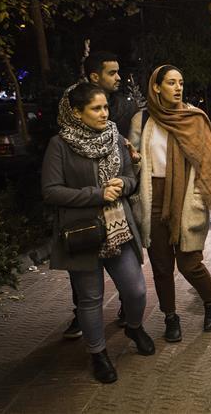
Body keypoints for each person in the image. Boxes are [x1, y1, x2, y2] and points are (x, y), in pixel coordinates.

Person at [41, 82, 154, 384]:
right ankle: (98, 353)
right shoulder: (60, 145)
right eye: (96, 108)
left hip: (119, 227)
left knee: (136, 290)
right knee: (90, 298)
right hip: (83, 232)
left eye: (105, 107)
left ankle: (133, 326)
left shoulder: (115, 138)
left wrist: (124, 186)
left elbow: (131, 177)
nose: (104, 113)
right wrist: (97, 194)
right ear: (77, 113)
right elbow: (51, 191)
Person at [128, 65, 211, 342]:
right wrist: (133, 160)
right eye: (171, 82)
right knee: (161, 267)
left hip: (185, 197)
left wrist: (198, 197)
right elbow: (134, 164)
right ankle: (170, 318)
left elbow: (208, 164)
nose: (178, 87)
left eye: (181, 82)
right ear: (156, 87)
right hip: (153, 198)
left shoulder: (193, 118)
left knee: (189, 263)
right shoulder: (142, 120)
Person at [62, 51, 139, 339]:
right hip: (84, 213)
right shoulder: (73, 102)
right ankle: (82, 318)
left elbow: (124, 151)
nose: (118, 78)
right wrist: (95, 191)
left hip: (117, 211)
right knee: (86, 285)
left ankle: (127, 312)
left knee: (132, 284)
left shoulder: (121, 105)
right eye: (112, 73)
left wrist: (129, 167)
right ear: (95, 76)